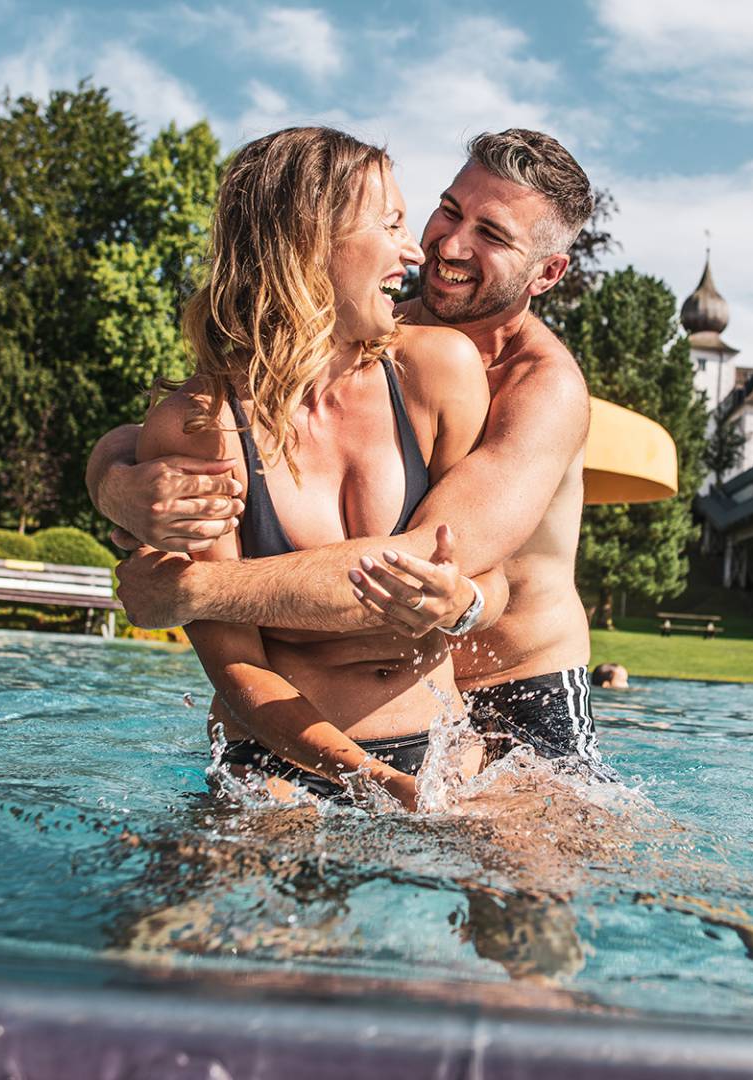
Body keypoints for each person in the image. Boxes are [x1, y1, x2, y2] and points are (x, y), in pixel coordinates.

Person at [90, 129, 610, 775]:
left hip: (516, 678)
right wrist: (114, 476)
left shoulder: (542, 387)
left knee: (545, 870)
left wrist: (193, 590)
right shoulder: (375, 327)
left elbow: (415, 562)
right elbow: (206, 411)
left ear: (548, 272)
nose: (448, 245)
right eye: (449, 210)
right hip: (333, 709)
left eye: (493, 236)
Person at [142, 126, 498, 810]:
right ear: (311, 242)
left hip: (443, 754)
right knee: (185, 913)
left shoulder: (436, 372)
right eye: (390, 223)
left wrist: (465, 605)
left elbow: (492, 576)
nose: (411, 250)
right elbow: (238, 669)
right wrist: (376, 782)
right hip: (273, 760)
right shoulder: (203, 428)